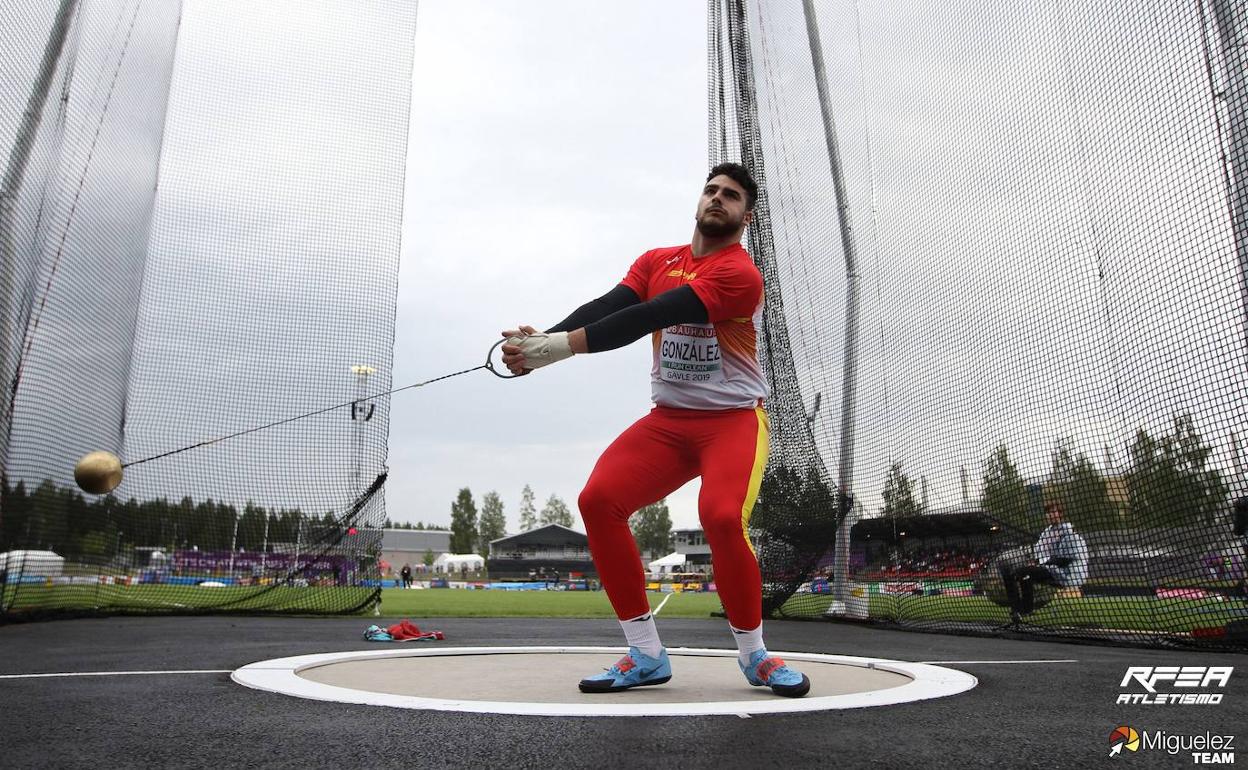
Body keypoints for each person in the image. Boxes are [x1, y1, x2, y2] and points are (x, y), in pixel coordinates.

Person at [500, 162, 809, 697]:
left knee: (720, 516)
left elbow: (649, 316)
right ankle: (645, 653)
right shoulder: (656, 260)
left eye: (730, 195)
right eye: (710, 190)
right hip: (668, 422)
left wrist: (552, 351)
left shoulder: (740, 274)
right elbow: (610, 306)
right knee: (598, 501)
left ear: (746, 216)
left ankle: (755, 655)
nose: (717, 199)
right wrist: (539, 342)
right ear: (698, 200)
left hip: (732, 422)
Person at [998, 502, 1088, 624]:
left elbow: (1064, 559)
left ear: (1060, 514)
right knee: (1017, 574)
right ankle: (1021, 610)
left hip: (1064, 572)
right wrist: (1035, 562)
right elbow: (1039, 553)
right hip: (1047, 569)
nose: (1051, 515)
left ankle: (1021, 610)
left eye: (1054, 512)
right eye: (1048, 513)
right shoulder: (1046, 533)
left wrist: (1041, 565)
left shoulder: (1069, 532)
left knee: (1023, 572)